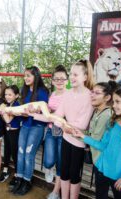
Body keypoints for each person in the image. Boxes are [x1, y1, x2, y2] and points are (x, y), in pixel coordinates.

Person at [30, 60, 94, 199]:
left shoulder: (89, 96)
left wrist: (63, 124)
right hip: (65, 138)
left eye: (75, 74)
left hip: (78, 143)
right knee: (64, 172)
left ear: (85, 76)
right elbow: (55, 116)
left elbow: (81, 125)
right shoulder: (68, 94)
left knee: (74, 175)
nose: (72, 77)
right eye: (71, 74)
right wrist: (32, 114)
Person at [73, 87, 121, 199]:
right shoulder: (112, 123)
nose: (113, 105)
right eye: (113, 102)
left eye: (118, 102)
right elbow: (103, 146)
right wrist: (83, 137)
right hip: (102, 170)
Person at [11, 66, 49, 196]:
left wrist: (34, 112)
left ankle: (27, 181)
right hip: (25, 125)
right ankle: (19, 178)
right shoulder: (24, 90)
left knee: (28, 154)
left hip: (37, 126)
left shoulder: (42, 91)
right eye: (25, 75)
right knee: (20, 152)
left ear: (36, 76)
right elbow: (21, 111)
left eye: (28, 75)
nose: (25, 78)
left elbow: (44, 111)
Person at [33, 65, 68, 199]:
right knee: (48, 161)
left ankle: (55, 191)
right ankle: (49, 168)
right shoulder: (51, 94)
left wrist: (51, 113)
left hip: (63, 132)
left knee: (60, 163)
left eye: (62, 79)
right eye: (56, 79)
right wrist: (37, 111)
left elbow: (64, 115)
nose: (59, 81)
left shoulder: (69, 95)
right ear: (52, 80)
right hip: (50, 129)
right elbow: (46, 112)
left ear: (67, 80)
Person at [0, 85, 21, 187]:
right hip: (7, 131)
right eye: (6, 94)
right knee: (6, 151)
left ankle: (17, 174)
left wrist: (3, 111)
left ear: (16, 95)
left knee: (14, 153)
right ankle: (5, 169)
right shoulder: (8, 105)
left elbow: (8, 120)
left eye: (10, 94)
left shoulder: (16, 105)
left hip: (14, 133)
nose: (7, 96)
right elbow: (6, 121)